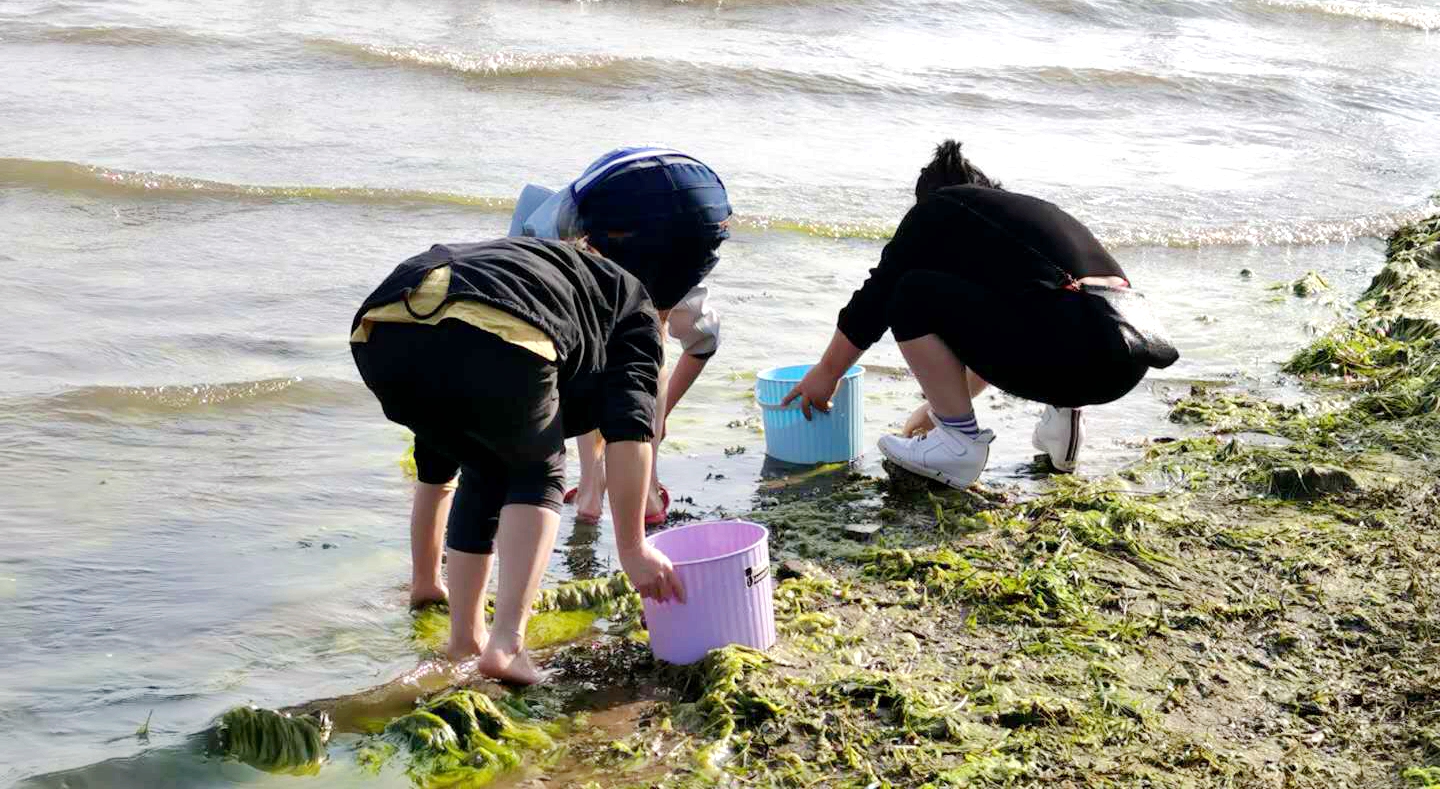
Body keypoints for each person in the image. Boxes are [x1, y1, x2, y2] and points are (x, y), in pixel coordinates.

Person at [350, 237, 689, 685]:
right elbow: (631, 427)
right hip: (498, 326)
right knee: (538, 469)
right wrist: (633, 547)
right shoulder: (632, 303)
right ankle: (507, 645)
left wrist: (425, 583)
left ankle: (465, 640)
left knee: (484, 462)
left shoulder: (533, 269)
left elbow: (435, 469)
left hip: (382, 329)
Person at [782, 141, 1177, 489]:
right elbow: (997, 330)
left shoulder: (938, 209)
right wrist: (937, 409)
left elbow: (876, 297)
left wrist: (826, 373)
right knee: (1031, 304)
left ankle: (959, 445)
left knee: (912, 291)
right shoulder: (1029, 218)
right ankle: (1063, 424)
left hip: (1067, 349)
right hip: (1121, 363)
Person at [509, 148, 731, 526]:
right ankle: (643, 491)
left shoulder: (544, 238)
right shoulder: (663, 259)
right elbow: (705, 341)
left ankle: (592, 491)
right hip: (709, 202)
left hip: (660, 203)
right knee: (649, 332)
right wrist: (649, 422)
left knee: (591, 343)